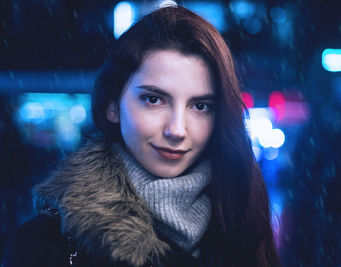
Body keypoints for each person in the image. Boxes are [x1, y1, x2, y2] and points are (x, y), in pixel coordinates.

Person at [2, 5, 280, 267]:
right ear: (113, 105)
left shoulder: (241, 218)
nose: (177, 130)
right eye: (154, 100)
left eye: (200, 106)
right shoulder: (45, 245)